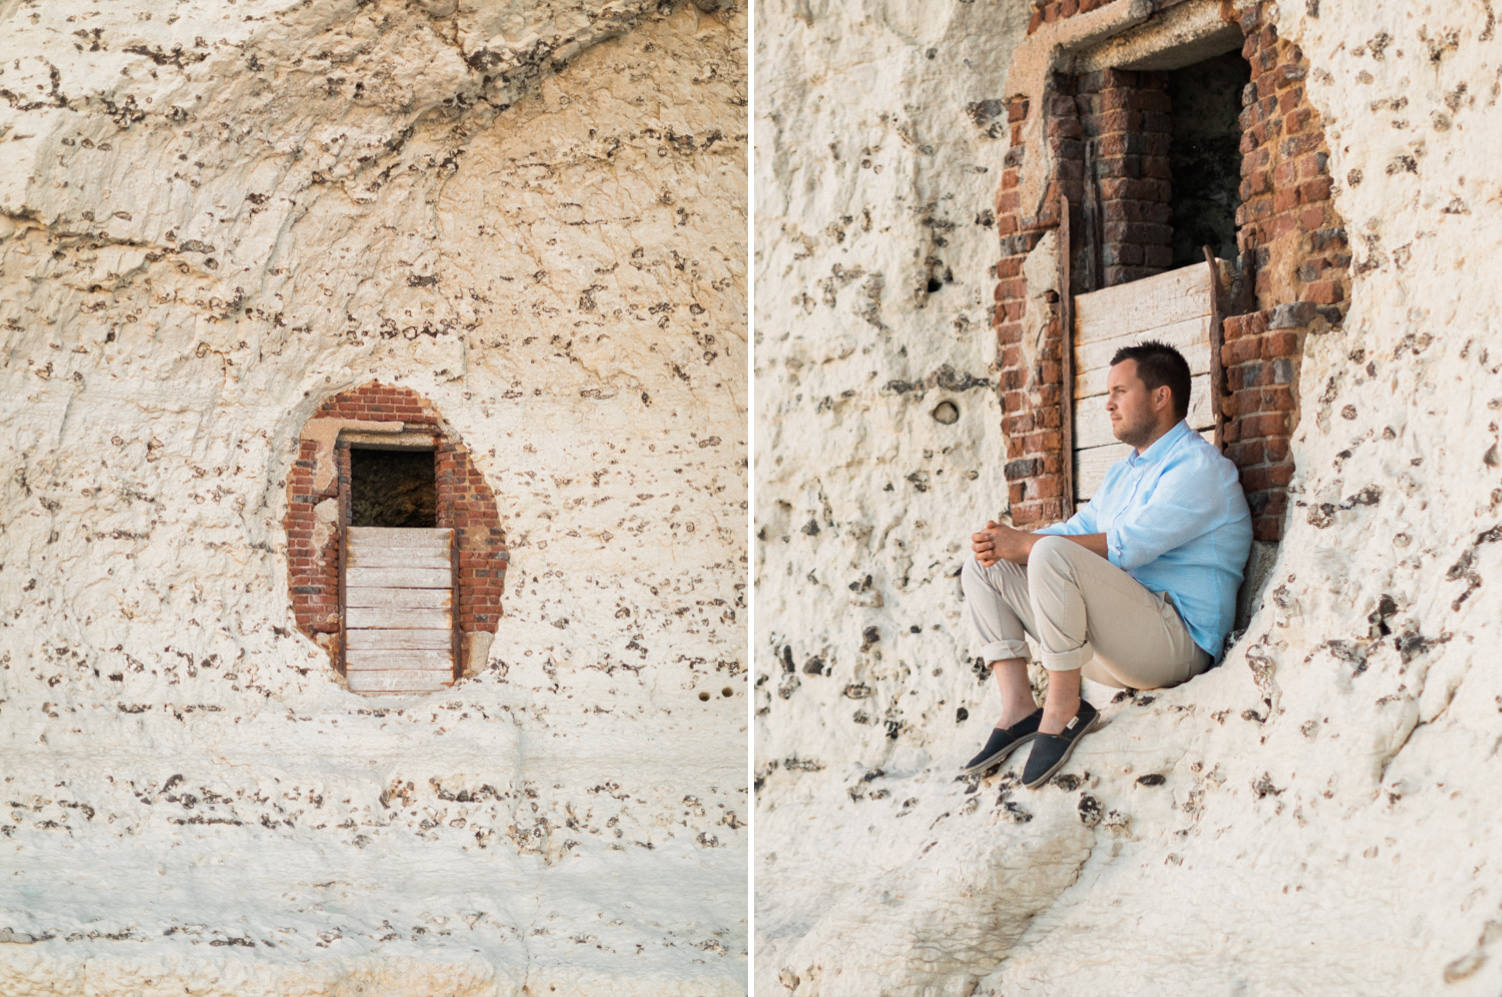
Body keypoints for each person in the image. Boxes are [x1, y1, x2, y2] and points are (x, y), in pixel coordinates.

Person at [959, 340, 1252, 788]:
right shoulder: (1123, 473)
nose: (1108, 405)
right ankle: (1020, 708)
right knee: (985, 564)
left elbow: (1128, 546)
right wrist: (1006, 542)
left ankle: (1066, 708)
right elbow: (1078, 529)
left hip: (1177, 646)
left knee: (1050, 554)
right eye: (1106, 395)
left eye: (1119, 392)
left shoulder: (1199, 468)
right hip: (1119, 649)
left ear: (1160, 396)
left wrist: (1031, 545)